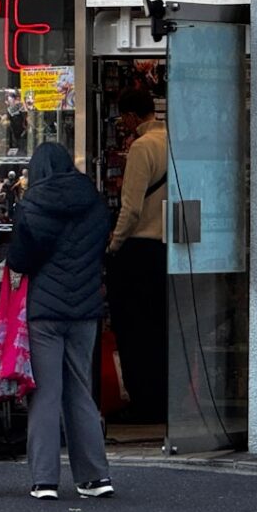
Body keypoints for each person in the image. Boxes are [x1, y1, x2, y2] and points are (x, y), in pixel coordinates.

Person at [7, 142, 113, 500]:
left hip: (45, 312)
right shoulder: (94, 202)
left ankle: (44, 480)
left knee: (46, 393)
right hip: (85, 310)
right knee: (80, 390)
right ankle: (96, 477)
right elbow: (101, 249)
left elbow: (20, 261)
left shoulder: (32, 205)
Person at [107, 87, 168, 423]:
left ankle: (143, 402)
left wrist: (114, 245)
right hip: (167, 249)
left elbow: (131, 208)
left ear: (131, 116)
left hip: (139, 250)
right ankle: (163, 398)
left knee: (134, 333)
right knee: (160, 330)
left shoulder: (142, 147)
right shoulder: (172, 141)